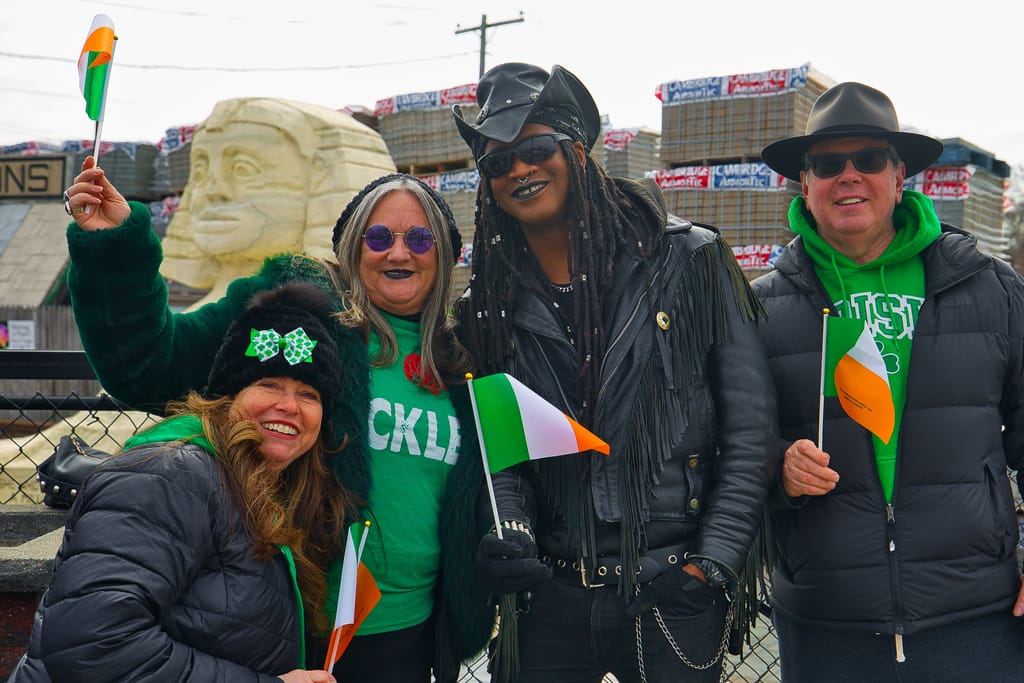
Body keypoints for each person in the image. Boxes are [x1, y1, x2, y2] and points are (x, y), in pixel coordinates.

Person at [60, 162, 494, 682]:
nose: (398, 253)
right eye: (379, 237)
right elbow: (150, 366)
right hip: (285, 626)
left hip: (409, 633)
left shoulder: (463, 356)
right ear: (353, 247)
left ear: (444, 255)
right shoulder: (291, 311)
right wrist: (115, 252)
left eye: (419, 239)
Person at [451, 62, 779, 682]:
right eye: (498, 162)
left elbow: (751, 431)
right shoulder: (486, 307)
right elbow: (502, 450)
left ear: (577, 151)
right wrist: (509, 532)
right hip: (547, 600)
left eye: (536, 148)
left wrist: (710, 566)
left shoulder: (692, 261)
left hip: (671, 592)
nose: (519, 170)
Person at [753, 81, 1024, 682]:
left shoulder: (993, 289)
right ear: (805, 185)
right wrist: (780, 468)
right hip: (827, 622)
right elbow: (728, 445)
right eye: (828, 164)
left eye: (869, 159)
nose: (848, 175)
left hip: (975, 613)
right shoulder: (757, 308)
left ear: (900, 177)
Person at [10, 283, 353, 683]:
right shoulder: (170, 475)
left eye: (308, 394)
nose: (289, 406)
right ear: (227, 396)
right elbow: (92, 644)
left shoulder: (261, 491)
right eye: (269, 384)